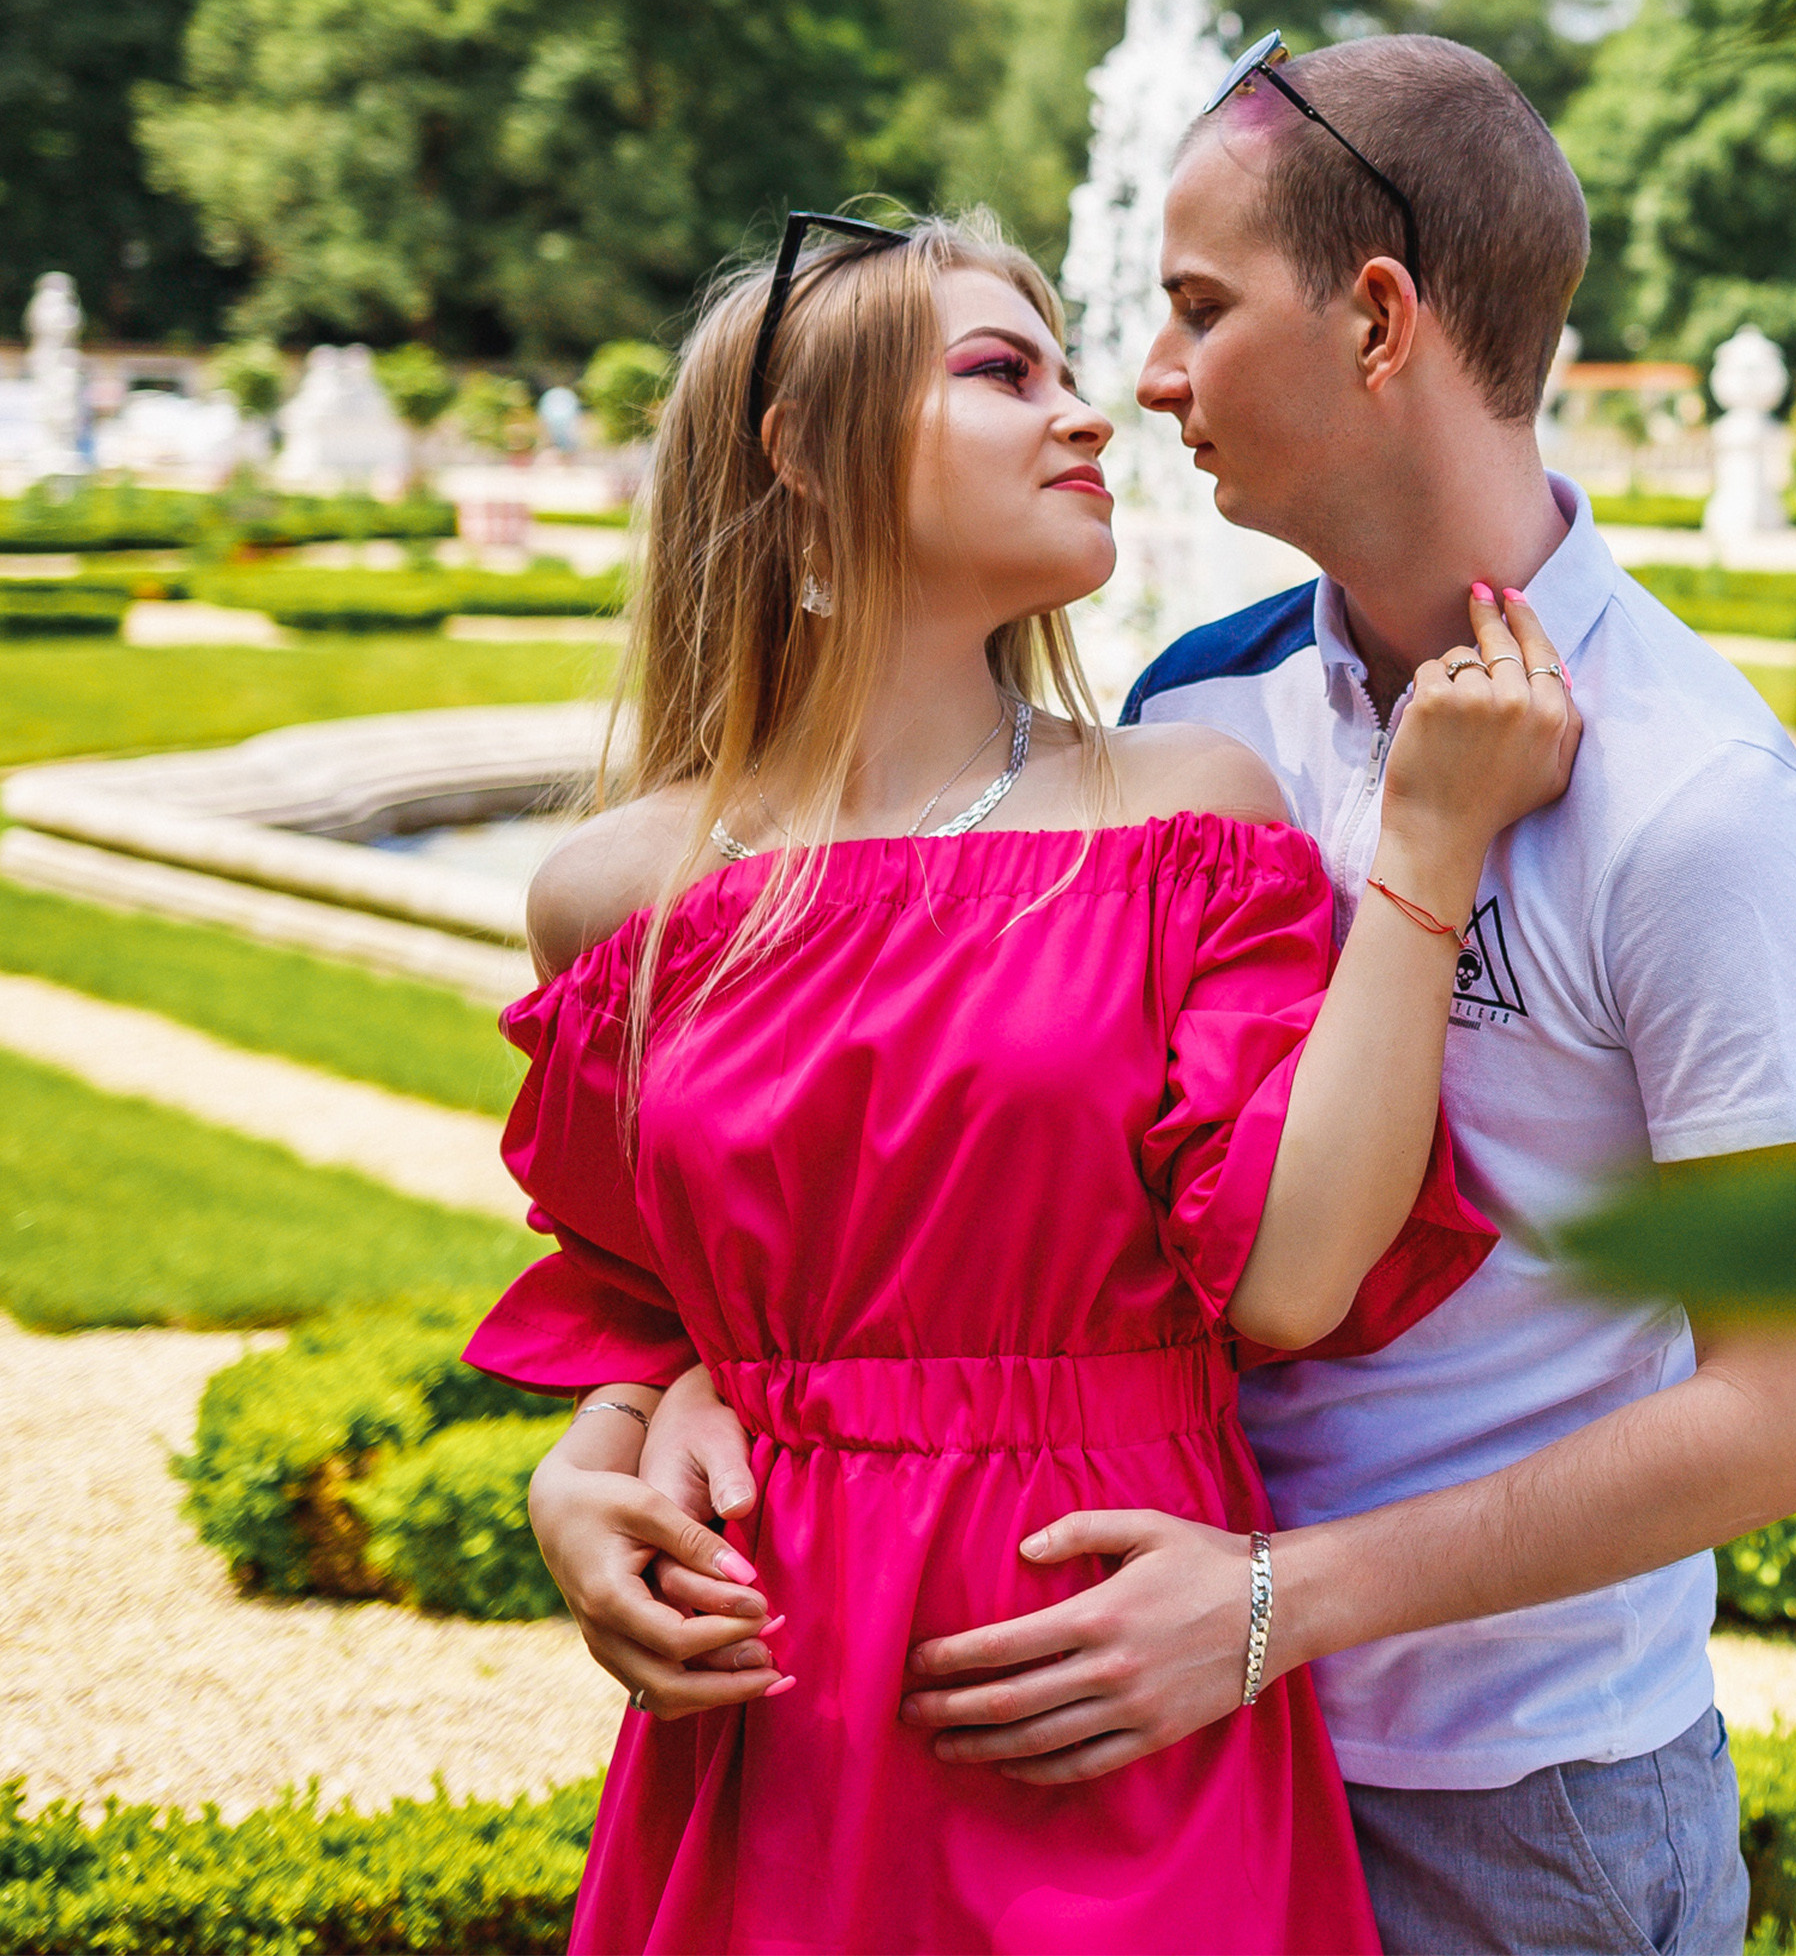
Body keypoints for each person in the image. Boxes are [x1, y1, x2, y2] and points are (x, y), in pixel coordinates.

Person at [466, 204, 1578, 1955]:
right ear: (801, 455)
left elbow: (1292, 1278)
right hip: (778, 1715)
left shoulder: (1184, 815)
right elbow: (643, 1306)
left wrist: (1429, 851)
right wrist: (575, 1484)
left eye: (1072, 373)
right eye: (1006, 374)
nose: (1090, 416)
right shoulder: (620, 901)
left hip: (1113, 1678)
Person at [872, 36, 1796, 1955]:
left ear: (1379, 317)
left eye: (1196, 308)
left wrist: (1273, 1604)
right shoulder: (1190, 712)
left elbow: (1790, 1415)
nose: (1146, 379)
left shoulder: (1696, 799)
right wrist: (651, 1406)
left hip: (1517, 1809)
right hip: (1166, 1760)